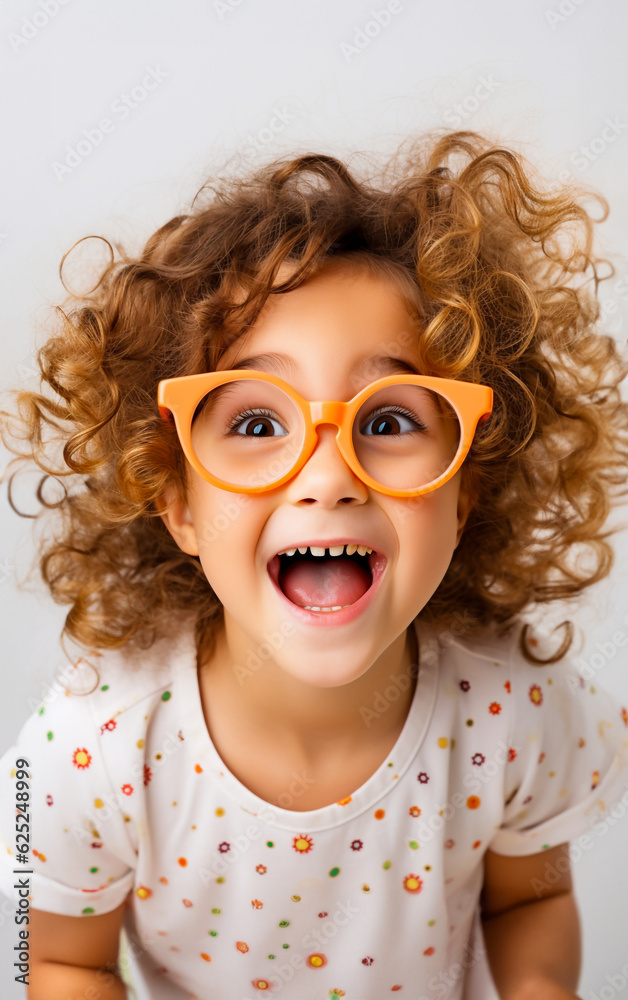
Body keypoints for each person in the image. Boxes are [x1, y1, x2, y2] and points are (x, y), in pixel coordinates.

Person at [1, 130, 628, 1000]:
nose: (329, 476)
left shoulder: (515, 711)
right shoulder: (85, 752)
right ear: (176, 499)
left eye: (391, 419)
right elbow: (61, 958)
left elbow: (530, 902)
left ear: (468, 490)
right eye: (258, 425)